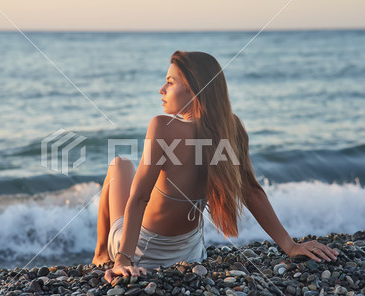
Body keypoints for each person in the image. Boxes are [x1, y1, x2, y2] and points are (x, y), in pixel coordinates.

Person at [92, 50, 339, 283]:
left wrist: (123, 259)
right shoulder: (232, 129)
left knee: (120, 164)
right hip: (190, 254)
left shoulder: (162, 126)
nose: (161, 89)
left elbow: (139, 198)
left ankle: (102, 254)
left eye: (170, 82)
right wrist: (290, 246)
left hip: (142, 252)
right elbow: (252, 192)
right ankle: (104, 254)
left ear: (194, 90)